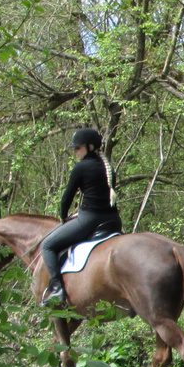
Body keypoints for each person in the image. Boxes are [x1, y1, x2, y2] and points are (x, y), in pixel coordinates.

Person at [41, 127, 122, 306]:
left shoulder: (82, 167)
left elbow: (66, 199)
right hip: (113, 220)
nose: (75, 152)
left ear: (90, 146)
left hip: (90, 221)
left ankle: (56, 289)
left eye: (78, 148)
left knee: (47, 245)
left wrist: (63, 218)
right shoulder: (108, 167)